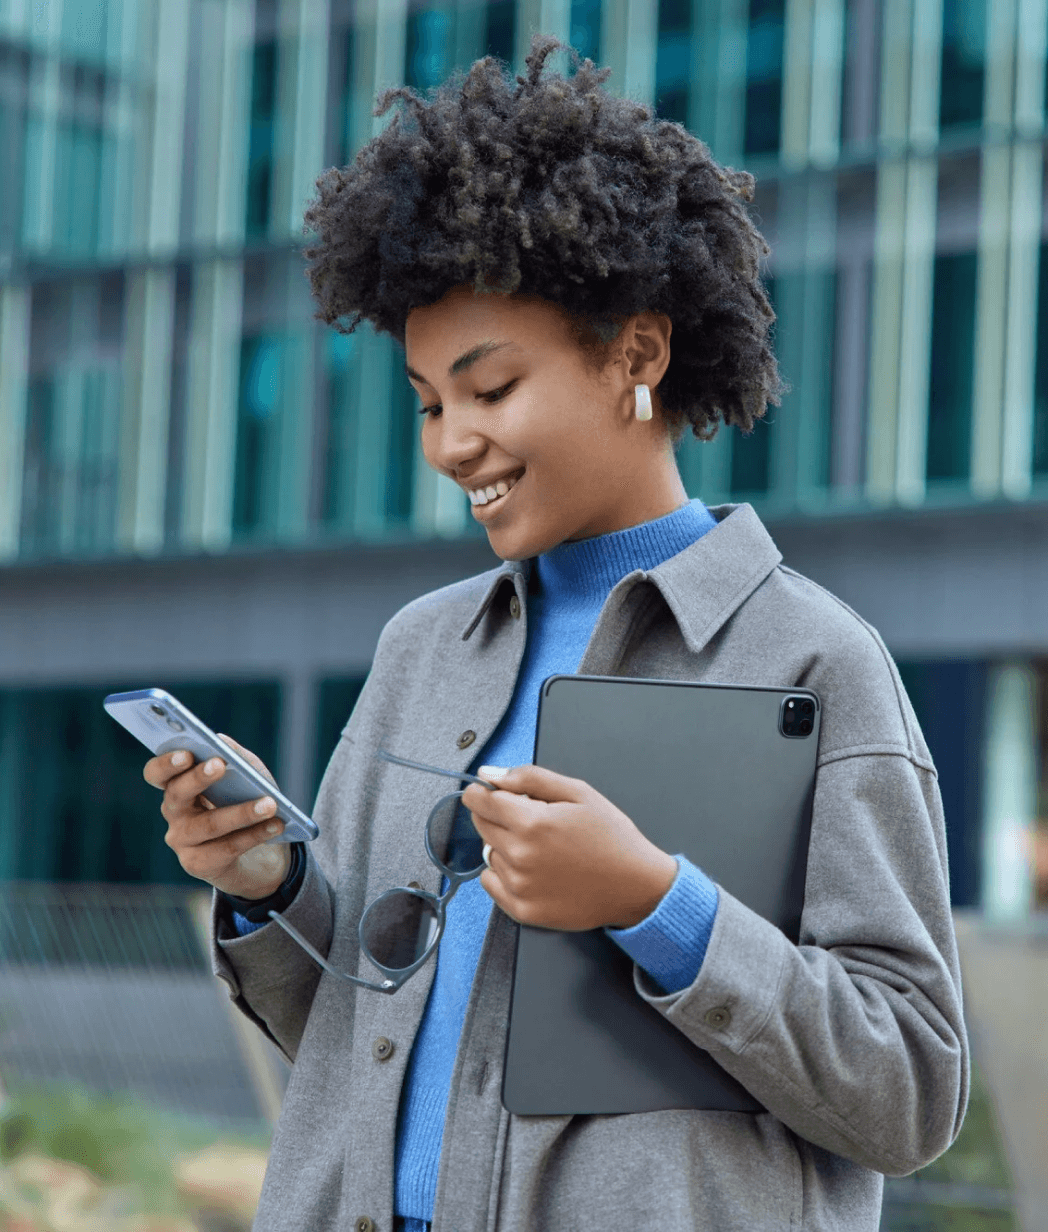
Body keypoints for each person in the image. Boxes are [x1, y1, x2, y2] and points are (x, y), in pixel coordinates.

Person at [143, 38, 968, 1232]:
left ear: (635, 353)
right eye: (429, 401)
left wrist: (652, 900)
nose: (448, 443)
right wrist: (270, 882)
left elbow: (909, 1090)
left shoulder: (814, 661)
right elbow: (350, 1030)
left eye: (489, 389)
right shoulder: (420, 651)